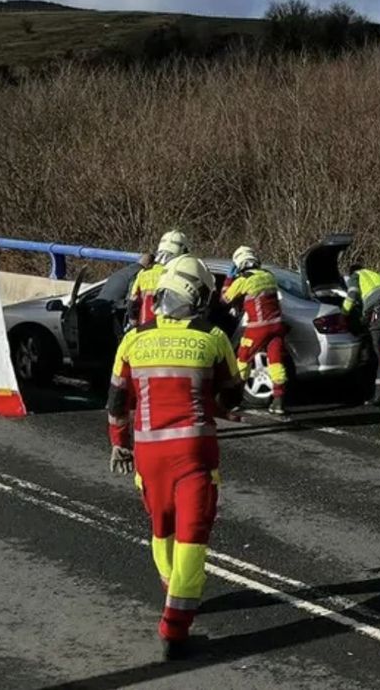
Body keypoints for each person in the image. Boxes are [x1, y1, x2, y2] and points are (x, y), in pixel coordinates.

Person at [107, 254, 242, 660]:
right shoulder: (212, 338)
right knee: (192, 537)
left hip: (148, 456)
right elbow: (232, 394)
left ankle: (171, 590)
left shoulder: (133, 340)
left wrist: (119, 442)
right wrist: (215, 404)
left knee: (161, 527)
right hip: (195, 456)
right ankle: (175, 627)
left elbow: (116, 402)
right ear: (198, 296)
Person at [221, 246, 289, 415]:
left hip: (257, 327)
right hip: (277, 325)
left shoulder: (244, 279)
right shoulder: (269, 276)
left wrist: (229, 279)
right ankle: (278, 401)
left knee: (243, 359)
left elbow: (224, 300)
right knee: (275, 361)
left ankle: (233, 399)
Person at [343, 262, 380, 406]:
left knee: (379, 354)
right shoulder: (376, 275)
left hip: (377, 313)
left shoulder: (356, 276)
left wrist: (344, 312)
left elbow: (352, 295)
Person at [127, 230, 188, 328]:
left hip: (145, 327)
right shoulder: (180, 275)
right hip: (171, 329)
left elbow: (133, 301)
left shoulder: (143, 273)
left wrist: (133, 322)